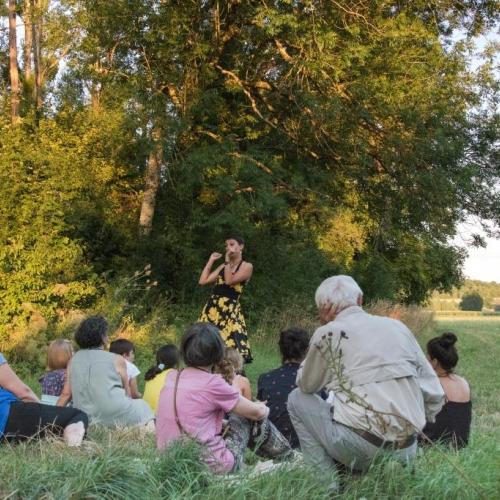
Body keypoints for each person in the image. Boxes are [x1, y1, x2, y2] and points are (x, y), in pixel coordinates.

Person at [287, 275, 445, 477]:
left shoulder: (328, 332)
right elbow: (434, 390)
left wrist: (324, 330)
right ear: (360, 299)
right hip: (407, 448)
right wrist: (419, 423)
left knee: (296, 399)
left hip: (361, 449)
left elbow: (306, 385)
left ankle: (326, 487)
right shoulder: (398, 327)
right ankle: (379, 474)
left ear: (323, 308)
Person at [156, 322, 292, 473]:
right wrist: (263, 408)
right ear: (217, 353)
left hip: (171, 460)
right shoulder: (213, 383)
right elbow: (256, 413)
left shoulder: (172, 377)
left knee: (230, 421)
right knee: (247, 416)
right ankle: (289, 457)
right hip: (209, 466)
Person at [57, 316, 154, 429]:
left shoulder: (73, 360)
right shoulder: (117, 359)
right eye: (106, 334)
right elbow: (127, 394)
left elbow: (66, 394)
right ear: (103, 337)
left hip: (85, 417)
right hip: (114, 414)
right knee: (143, 406)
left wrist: (53, 417)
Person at [0, 352, 87, 446]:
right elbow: (23, 392)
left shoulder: (46, 376)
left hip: (9, 422)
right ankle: (73, 447)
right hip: (6, 417)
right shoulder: (64, 374)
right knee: (77, 415)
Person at [199, 236, 253, 363]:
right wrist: (211, 261)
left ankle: (231, 375)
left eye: (232, 244)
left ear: (241, 247)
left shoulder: (247, 266)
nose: (228, 247)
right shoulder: (224, 266)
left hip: (229, 309)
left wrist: (227, 260)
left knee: (229, 345)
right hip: (213, 308)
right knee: (205, 341)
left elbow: (229, 281)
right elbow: (203, 281)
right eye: (226, 245)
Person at [258, 327, 310, 448]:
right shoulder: (314, 381)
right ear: (306, 351)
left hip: (273, 445)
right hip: (307, 446)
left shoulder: (266, 378)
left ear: (281, 350)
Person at [421, 332, 471, 448]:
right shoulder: (463, 382)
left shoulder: (433, 384)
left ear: (434, 361)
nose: (425, 359)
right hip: (460, 443)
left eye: (427, 355)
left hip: (435, 444)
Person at [143, 344, 180, 413]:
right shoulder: (176, 375)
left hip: (145, 415)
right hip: (160, 417)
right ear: (176, 360)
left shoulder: (153, 373)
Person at [39, 339, 73, 405]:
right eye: (71, 351)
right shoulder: (66, 375)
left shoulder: (46, 376)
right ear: (65, 355)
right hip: (63, 410)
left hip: (47, 409)